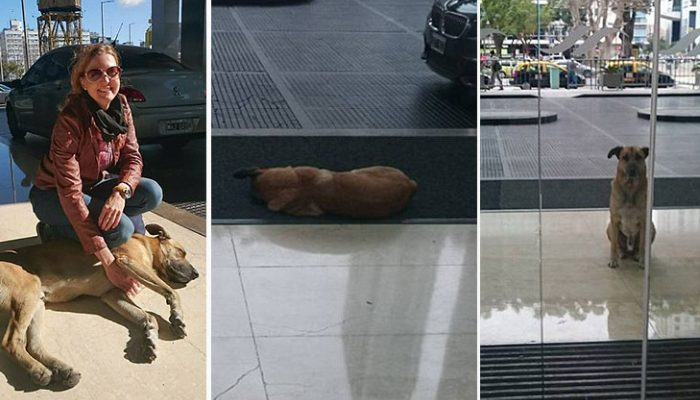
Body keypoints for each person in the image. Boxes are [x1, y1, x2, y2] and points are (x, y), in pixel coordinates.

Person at [29, 44, 162, 296]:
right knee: (121, 230)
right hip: (52, 194)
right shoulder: (70, 121)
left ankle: (104, 222)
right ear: (82, 82)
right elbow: (70, 192)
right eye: (95, 74)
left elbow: (133, 158)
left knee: (152, 192)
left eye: (112, 71)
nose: (106, 80)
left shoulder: (121, 106)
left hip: (92, 185)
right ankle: (54, 229)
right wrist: (108, 261)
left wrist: (120, 192)